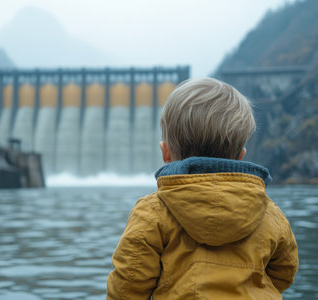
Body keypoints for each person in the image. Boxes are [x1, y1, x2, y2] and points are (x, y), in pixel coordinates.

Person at [107, 78, 298, 299]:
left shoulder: (152, 213)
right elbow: (284, 272)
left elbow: (128, 286)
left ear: (165, 153)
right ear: (241, 155)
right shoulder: (270, 214)